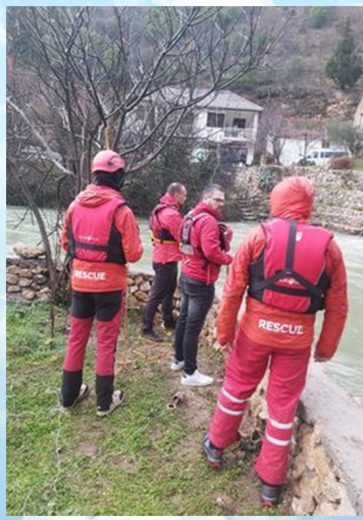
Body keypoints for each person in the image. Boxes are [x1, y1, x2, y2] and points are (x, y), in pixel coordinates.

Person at [201, 176, 348, 507]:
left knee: (236, 388)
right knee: (282, 408)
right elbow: (338, 305)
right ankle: (270, 483)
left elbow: (234, 289)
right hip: (297, 341)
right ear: (308, 205)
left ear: (276, 201)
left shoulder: (259, 236)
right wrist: (325, 349)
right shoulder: (329, 247)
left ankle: (216, 445)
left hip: (255, 332)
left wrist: (225, 333)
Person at [59, 150, 143, 417]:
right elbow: (134, 253)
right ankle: (104, 402)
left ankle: (68, 396)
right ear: (118, 177)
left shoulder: (74, 206)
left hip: (81, 284)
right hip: (109, 287)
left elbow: (65, 244)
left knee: (76, 339)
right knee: (106, 343)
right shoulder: (122, 211)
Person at [172, 184, 233, 386]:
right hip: (201, 281)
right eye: (217, 199)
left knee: (183, 319)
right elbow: (211, 253)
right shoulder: (208, 221)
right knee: (192, 327)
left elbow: (184, 243)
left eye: (223, 200)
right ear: (206, 198)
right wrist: (229, 259)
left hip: (187, 274)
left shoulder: (190, 216)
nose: (220, 204)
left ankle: (178, 360)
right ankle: (190, 373)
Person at [142, 182, 187, 342]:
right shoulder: (171, 215)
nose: (185, 197)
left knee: (169, 290)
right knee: (157, 294)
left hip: (162, 257)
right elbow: (182, 236)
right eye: (184, 194)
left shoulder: (159, 209)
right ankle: (146, 327)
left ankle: (168, 321)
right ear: (176, 195)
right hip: (166, 259)